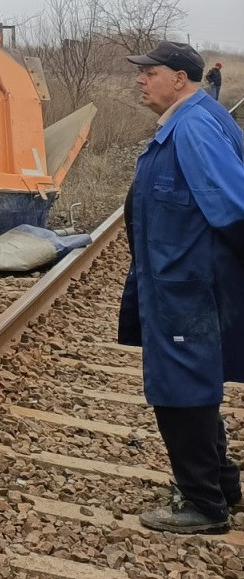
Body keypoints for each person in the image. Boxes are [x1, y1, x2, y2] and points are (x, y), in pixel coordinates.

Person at [117, 40, 244, 535]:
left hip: (185, 286)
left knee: (180, 392)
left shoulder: (192, 127)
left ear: (179, 77)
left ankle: (204, 505)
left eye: (150, 72)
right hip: (178, 279)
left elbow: (234, 207)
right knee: (193, 385)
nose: (141, 80)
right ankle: (222, 486)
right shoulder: (192, 119)